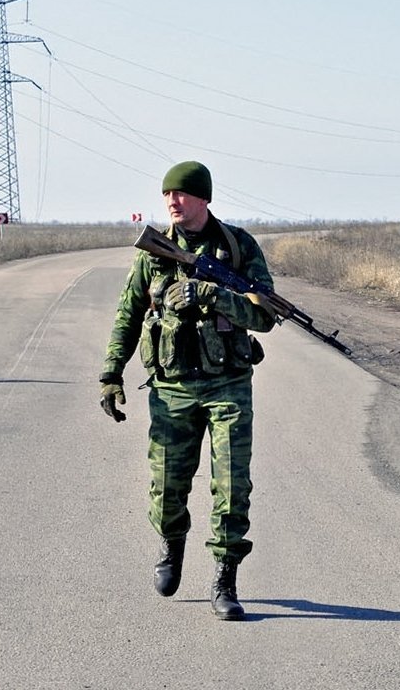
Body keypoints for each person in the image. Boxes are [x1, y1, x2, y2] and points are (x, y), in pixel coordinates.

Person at [99, 160, 276, 621]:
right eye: (167, 196)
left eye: (181, 194)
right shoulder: (153, 253)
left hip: (228, 386)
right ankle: (171, 548)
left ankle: (225, 580)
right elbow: (128, 315)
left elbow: (265, 316)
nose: (172, 202)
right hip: (171, 388)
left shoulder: (238, 247)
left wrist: (213, 294)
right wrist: (110, 374)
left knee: (232, 486)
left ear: (204, 199)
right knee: (167, 485)